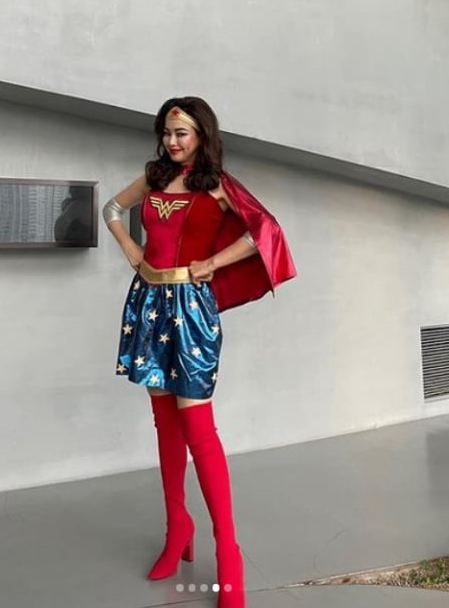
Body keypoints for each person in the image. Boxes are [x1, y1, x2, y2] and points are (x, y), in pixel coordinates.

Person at [103, 96, 296, 607]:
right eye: (167, 132)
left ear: (202, 136)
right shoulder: (154, 178)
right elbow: (111, 209)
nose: (172, 141)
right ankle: (177, 529)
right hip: (148, 304)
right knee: (165, 424)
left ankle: (228, 553)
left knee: (198, 429)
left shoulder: (217, 185)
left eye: (182, 133)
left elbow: (266, 232)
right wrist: (132, 249)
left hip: (190, 312)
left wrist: (212, 262)